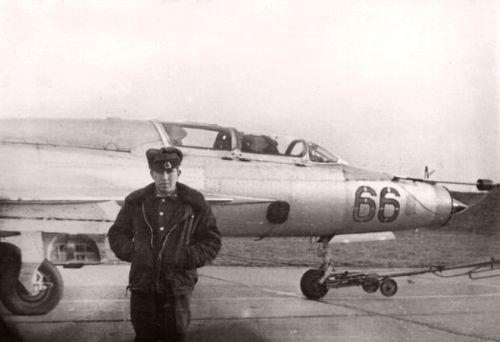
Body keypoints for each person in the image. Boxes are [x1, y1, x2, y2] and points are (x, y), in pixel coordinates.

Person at [108, 147, 221, 342]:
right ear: (152, 174)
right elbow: (117, 233)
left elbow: (212, 241)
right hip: (143, 286)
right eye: (159, 172)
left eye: (170, 172)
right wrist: (136, 252)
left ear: (178, 173)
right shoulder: (136, 202)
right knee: (144, 337)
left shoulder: (195, 204)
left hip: (177, 288)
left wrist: (185, 257)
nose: (165, 177)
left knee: (175, 336)